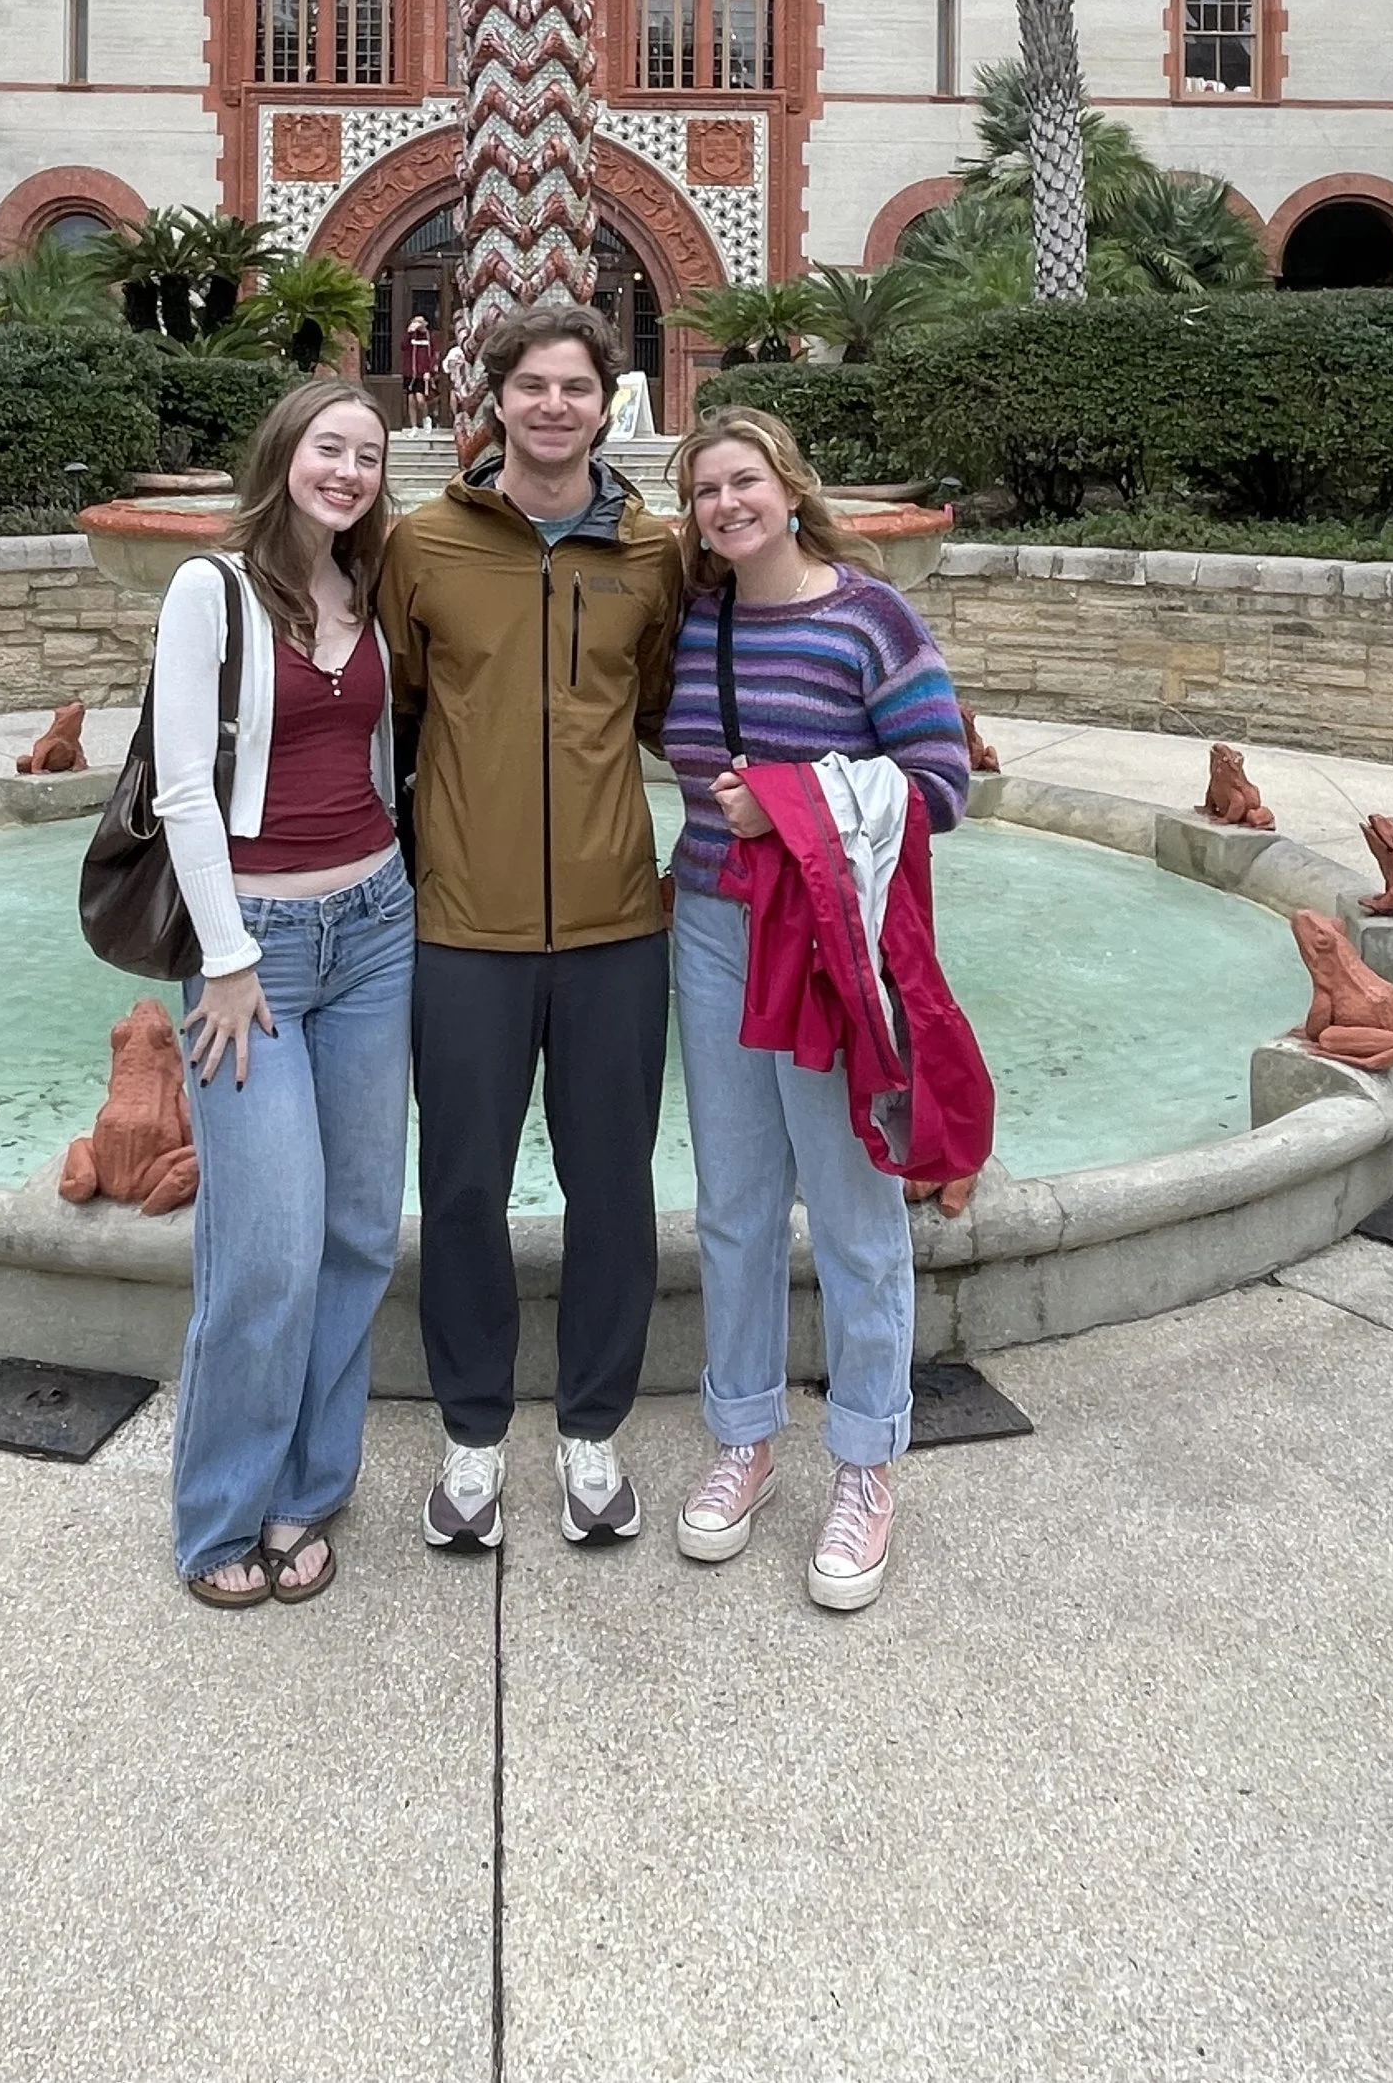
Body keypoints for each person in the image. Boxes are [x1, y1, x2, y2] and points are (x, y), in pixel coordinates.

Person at [380, 299, 686, 1553]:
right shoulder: (421, 545)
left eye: (576, 387)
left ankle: (591, 1433)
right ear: (491, 398)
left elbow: (679, 709)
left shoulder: (656, 555)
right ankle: (468, 1439)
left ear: (604, 400)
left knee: (611, 1188)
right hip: (463, 927)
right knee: (458, 1188)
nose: (553, 406)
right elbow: (389, 721)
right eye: (531, 387)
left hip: (617, 923)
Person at [659, 407, 974, 1613]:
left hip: (830, 945)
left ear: (790, 488)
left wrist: (784, 802)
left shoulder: (869, 618)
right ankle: (742, 1437)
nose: (726, 505)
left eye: (744, 482)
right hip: (711, 929)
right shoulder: (700, 619)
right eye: (705, 493)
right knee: (733, 1204)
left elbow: (942, 784)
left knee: (850, 1211)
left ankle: (864, 1463)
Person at [152, 376, 413, 1610]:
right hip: (251, 952)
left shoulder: (367, 591)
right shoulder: (212, 589)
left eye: (366, 455)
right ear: (284, 454)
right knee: (263, 1245)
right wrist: (227, 955)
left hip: (377, 928)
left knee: (358, 1231)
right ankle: (219, 1515)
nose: (348, 471)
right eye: (329, 448)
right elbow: (181, 790)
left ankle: (311, 1487)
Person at [403, 310, 435, 432]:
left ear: (425, 323)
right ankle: (414, 426)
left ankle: (426, 418)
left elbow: (433, 355)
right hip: (410, 373)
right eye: (415, 321)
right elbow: (403, 346)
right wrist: (409, 333)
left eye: (420, 321)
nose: (417, 324)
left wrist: (430, 371)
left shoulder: (429, 336)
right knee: (411, 400)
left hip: (423, 373)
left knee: (420, 400)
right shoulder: (412, 335)